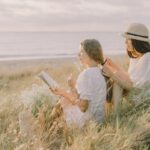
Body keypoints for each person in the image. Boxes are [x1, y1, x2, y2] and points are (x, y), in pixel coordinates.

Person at [50, 39, 107, 127]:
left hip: (87, 122)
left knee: (62, 102)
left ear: (90, 53)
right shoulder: (100, 72)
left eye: (81, 52)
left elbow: (83, 107)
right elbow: (89, 97)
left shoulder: (86, 74)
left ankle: (48, 130)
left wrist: (63, 93)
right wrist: (73, 87)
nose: (78, 55)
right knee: (66, 100)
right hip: (99, 120)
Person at [102, 23, 150, 109]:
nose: (125, 42)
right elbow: (130, 78)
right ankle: (110, 112)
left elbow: (136, 89)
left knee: (116, 83)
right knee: (114, 78)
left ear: (136, 41)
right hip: (136, 95)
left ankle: (116, 116)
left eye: (128, 39)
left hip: (143, 100)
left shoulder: (147, 57)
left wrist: (112, 74)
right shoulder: (135, 58)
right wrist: (113, 66)